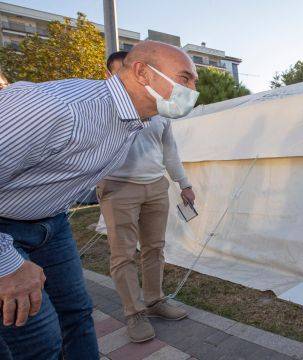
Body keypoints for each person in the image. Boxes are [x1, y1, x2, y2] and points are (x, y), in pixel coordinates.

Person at [0, 41, 199, 360]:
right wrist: (5, 263)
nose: (191, 90)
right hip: (6, 229)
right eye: (185, 78)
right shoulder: (57, 107)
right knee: (39, 339)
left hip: (51, 222)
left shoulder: (136, 120)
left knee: (78, 316)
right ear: (143, 73)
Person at [98, 52, 197, 343]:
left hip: (155, 186)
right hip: (118, 187)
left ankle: (155, 301)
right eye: (120, 77)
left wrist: (184, 183)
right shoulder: (103, 109)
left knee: (155, 247)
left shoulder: (160, 110)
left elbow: (170, 152)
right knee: (124, 255)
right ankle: (134, 313)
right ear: (111, 77)